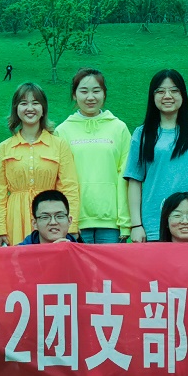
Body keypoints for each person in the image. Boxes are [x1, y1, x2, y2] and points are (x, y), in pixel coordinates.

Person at [124, 70, 188, 244]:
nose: (167, 96)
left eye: (174, 91)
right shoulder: (142, 134)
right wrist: (136, 225)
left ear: (183, 95)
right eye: (160, 91)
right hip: (154, 223)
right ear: (152, 97)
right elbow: (134, 181)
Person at [0, 83, 79, 247]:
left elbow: (69, 188)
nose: (30, 108)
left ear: (43, 109)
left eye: (35, 103)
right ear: (16, 109)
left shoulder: (59, 145)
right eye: (23, 103)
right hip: (14, 220)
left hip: (49, 218)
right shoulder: (5, 147)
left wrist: (70, 227)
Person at [56, 68, 131, 244]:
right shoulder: (62, 131)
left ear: (104, 94)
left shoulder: (119, 128)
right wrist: (67, 219)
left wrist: (125, 222)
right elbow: (60, 181)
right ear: (74, 95)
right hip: (75, 223)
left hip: (112, 223)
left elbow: (126, 177)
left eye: (96, 91)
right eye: (84, 91)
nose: (90, 97)